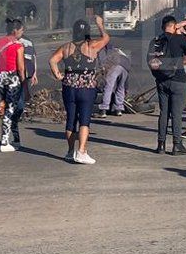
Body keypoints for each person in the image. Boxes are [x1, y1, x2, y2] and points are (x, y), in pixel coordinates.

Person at [50, 16, 110, 164]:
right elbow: (106, 38)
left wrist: (58, 74)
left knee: (71, 120)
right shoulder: (93, 45)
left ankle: (70, 151)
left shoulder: (65, 47)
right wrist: (100, 25)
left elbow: (52, 60)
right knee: (84, 120)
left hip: (69, 87)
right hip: (87, 88)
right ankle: (82, 151)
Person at [149, 15, 186, 155]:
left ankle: (161, 145)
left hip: (161, 81)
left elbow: (151, 61)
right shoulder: (179, 39)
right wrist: (182, 37)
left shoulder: (155, 41)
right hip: (178, 81)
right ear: (174, 26)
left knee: (163, 113)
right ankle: (177, 145)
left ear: (162, 27)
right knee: (177, 114)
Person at [0, 19, 27, 151]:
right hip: (13, 78)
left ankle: (10, 139)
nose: (22, 32)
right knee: (11, 109)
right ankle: (4, 141)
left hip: (1, 77)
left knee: (4, 107)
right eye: (21, 30)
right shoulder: (18, 45)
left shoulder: (0, 42)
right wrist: (23, 81)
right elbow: (20, 67)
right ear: (16, 30)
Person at [97, 44, 131, 117]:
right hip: (126, 66)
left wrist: (103, 71)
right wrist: (126, 87)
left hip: (115, 64)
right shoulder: (117, 50)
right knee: (120, 87)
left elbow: (103, 63)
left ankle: (103, 110)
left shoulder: (101, 49)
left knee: (108, 87)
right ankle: (119, 109)